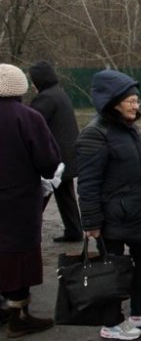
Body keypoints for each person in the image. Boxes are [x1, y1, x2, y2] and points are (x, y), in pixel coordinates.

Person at [77, 69, 141, 340]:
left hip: (138, 213)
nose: (135, 104)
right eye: (129, 100)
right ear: (112, 102)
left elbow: (140, 166)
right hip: (112, 219)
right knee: (112, 271)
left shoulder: (129, 129)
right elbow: (88, 183)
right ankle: (112, 322)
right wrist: (91, 222)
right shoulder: (95, 134)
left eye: (136, 99)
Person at [0, 64, 60, 338]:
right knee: (18, 257)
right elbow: (48, 162)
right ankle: (18, 317)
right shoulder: (28, 117)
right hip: (18, 202)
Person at [28, 61, 83, 242]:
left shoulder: (45, 98)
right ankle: (74, 231)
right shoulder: (59, 94)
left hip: (55, 158)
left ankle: (28, 230)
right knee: (65, 195)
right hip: (66, 155)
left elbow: (31, 123)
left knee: (40, 195)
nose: (32, 84)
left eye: (33, 80)